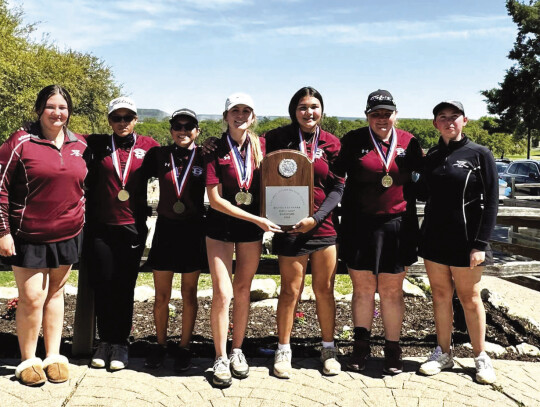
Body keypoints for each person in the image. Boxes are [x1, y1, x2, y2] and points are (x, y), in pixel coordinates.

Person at [0, 85, 88, 385]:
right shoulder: (20, 141)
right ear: (40, 109)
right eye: (51, 106)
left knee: (56, 294)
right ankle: (27, 360)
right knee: (31, 298)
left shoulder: (80, 144)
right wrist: (3, 232)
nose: (57, 112)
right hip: (28, 234)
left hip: (69, 233)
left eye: (63, 107)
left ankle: (53, 356)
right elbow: (0, 188)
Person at [334, 89, 423, 375]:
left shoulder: (409, 143)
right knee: (362, 290)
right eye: (376, 114)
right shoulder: (353, 141)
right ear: (367, 116)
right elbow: (333, 175)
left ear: (395, 115)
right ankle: (361, 347)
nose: (382, 118)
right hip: (359, 226)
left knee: (392, 292)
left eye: (387, 113)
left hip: (397, 226)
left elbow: (424, 182)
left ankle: (392, 349)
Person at [263, 86, 345, 379]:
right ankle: (283, 349)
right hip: (288, 227)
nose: (308, 112)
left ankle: (328, 349)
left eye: (314, 106)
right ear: (293, 111)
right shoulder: (276, 138)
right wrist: (211, 142)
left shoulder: (333, 143)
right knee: (290, 291)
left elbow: (337, 187)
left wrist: (317, 217)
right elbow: (248, 152)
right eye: (302, 107)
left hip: (322, 227)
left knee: (325, 291)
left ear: (321, 110)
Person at [417, 101, 498, 384]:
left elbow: (491, 204)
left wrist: (480, 244)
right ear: (435, 123)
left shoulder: (480, 154)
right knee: (440, 296)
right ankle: (443, 352)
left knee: (470, 298)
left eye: (454, 117)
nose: (449, 121)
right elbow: (422, 191)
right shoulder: (433, 155)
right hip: (434, 240)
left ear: (465, 120)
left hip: (467, 242)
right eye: (443, 117)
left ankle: (480, 357)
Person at [204, 92, 282, 387]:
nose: (240, 115)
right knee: (223, 292)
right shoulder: (213, 148)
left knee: (243, 290)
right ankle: (220, 357)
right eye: (234, 110)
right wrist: (256, 219)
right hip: (221, 227)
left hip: (251, 231)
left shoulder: (263, 145)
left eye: (246, 110)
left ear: (253, 116)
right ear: (225, 116)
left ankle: (237, 351)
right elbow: (214, 199)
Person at [85, 96, 159, 371]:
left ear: (136, 120)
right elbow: (62, 133)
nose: (122, 122)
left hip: (132, 228)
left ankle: (121, 343)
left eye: (127, 117)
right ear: (109, 121)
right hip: (101, 228)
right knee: (103, 285)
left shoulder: (149, 146)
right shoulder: (96, 144)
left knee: (124, 287)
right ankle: (104, 341)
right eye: (117, 118)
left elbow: (177, 155)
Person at [140, 108, 206, 372]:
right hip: (166, 230)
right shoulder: (158, 155)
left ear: (197, 131)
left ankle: (185, 346)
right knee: (161, 296)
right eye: (177, 126)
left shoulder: (205, 155)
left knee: (189, 293)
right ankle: (160, 344)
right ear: (171, 131)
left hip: (193, 231)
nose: (183, 131)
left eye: (188, 126)